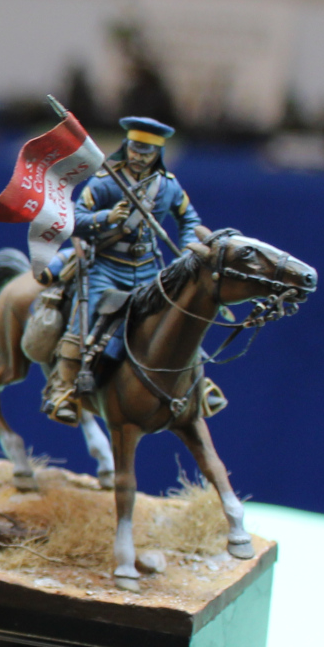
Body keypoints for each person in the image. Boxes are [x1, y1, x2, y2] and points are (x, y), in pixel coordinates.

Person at [42, 116, 207, 423]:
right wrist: (106, 218)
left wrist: (187, 250)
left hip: (148, 269)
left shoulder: (168, 187)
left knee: (177, 317)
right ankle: (62, 389)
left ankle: (198, 382)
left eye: (146, 153)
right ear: (126, 147)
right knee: (84, 316)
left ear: (157, 153)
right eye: (134, 150)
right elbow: (74, 220)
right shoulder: (105, 182)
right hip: (105, 266)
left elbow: (189, 220)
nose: (138, 157)